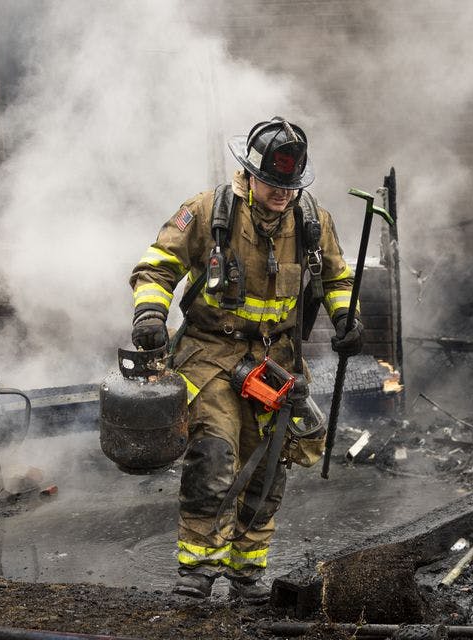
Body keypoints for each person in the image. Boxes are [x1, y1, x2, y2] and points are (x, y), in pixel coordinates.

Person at [128, 117, 362, 602]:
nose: (283, 194)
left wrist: (346, 319)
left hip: (277, 363)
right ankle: (197, 573)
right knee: (214, 456)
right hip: (211, 354)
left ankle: (245, 575)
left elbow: (339, 281)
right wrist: (151, 313)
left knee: (268, 468)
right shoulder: (208, 211)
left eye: (291, 185)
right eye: (274, 184)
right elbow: (157, 265)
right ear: (249, 173)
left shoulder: (313, 221)